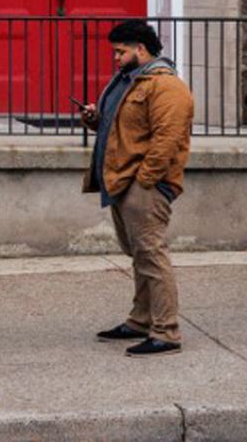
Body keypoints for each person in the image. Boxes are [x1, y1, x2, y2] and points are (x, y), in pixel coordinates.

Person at [79, 19, 194, 356]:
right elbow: (123, 127)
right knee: (139, 254)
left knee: (152, 255)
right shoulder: (129, 81)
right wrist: (94, 118)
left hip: (143, 184)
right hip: (121, 179)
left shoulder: (167, 86)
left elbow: (167, 140)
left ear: (141, 49)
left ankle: (166, 331)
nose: (115, 58)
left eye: (121, 51)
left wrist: (146, 181)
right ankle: (141, 320)